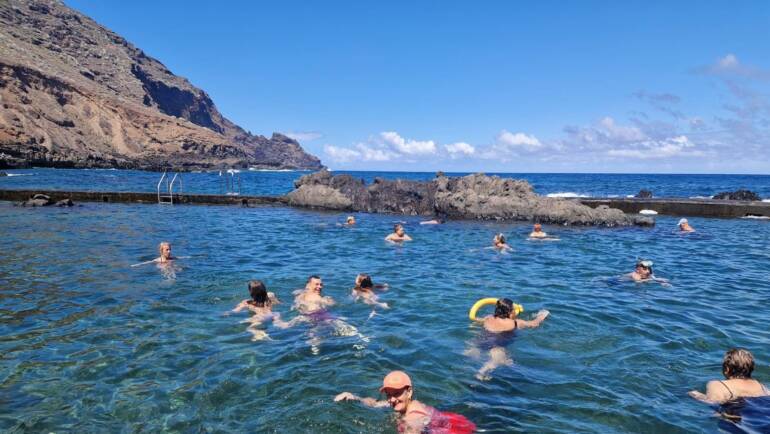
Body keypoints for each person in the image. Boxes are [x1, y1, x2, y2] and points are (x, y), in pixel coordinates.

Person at [334, 371, 476, 434]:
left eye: (397, 393)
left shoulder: (414, 414)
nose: (392, 399)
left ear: (409, 392)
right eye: (389, 395)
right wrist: (354, 397)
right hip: (443, 420)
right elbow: (376, 403)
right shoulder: (401, 405)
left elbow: (414, 425)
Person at [466, 298, 549, 380]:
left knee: (470, 355)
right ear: (509, 312)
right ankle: (481, 372)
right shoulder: (516, 323)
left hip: (481, 341)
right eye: (513, 309)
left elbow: (477, 319)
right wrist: (542, 315)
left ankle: (467, 366)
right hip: (497, 345)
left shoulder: (488, 318)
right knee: (498, 360)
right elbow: (534, 324)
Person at [689, 348, 770, 404]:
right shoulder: (761, 386)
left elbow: (713, 402)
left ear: (727, 369)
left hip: (737, 419)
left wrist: (694, 394)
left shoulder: (717, 385)